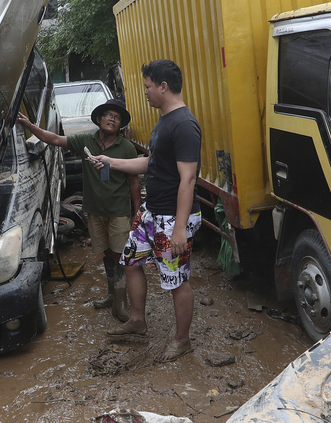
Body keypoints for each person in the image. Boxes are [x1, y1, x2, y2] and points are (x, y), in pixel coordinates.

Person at [92, 59, 202, 362]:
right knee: (130, 261)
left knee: (176, 280)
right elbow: (148, 164)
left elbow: (188, 178)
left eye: (147, 87)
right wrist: (109, 161)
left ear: (163, 87)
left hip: (172, 217)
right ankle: (138, 321)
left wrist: (180, 227)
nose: (145, 92)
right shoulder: (165, 120)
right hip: (152, 212)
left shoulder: (184, 125)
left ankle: (182, 340)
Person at [16, 99, 142, 320]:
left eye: (117, 117)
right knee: (106, 252)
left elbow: (134, 182)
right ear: (99, 119)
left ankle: (121, 303)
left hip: (119, 210)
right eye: (108, 115)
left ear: (120, 124)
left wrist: (138, 213)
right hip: (94, 209)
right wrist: (29, 126)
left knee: (120, 254)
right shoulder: (85, 140)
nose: (112, 119)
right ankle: (112, 294)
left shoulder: (127, 147)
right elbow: (54, 139)